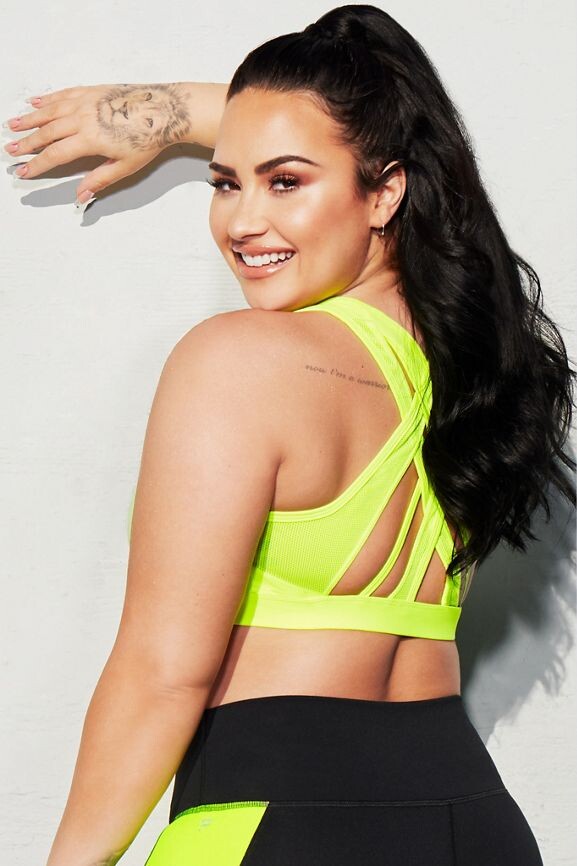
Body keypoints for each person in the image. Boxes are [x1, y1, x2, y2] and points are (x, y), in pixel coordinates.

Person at [8, 5, 574, 865]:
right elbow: (357, 144)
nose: (240, 222)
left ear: (385, 191)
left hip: (279, 822)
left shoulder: (242, 361)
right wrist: (175, 114)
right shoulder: (478, 372)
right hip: (471, 823)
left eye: (283, 182)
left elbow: (164, 672)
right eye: (224, 182)